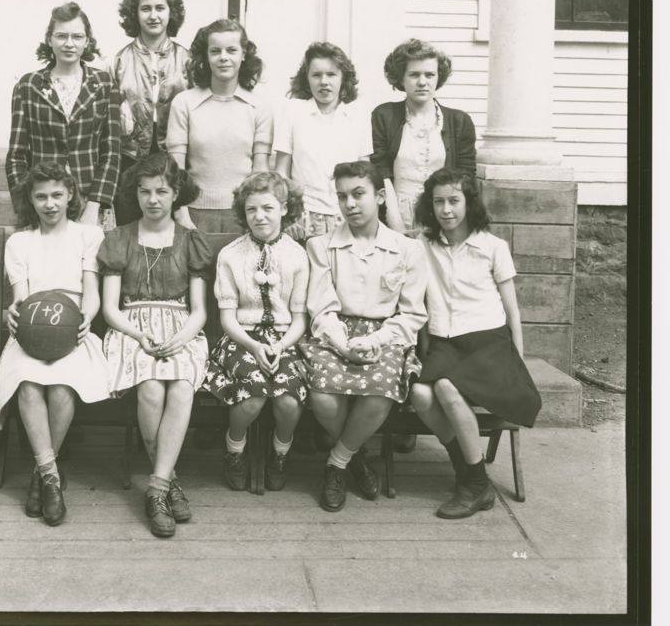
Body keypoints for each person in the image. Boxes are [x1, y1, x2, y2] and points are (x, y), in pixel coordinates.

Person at [409, 168, 542, 519]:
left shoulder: (493, 247)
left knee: (447, 390)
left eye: (454, 200)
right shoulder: (423, 245)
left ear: (469, 202)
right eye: (438, 201)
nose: (446, 210)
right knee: (421, 394)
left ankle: (472, 483)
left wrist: (518, 359)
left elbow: (512, 309)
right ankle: (473, 475)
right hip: (444, 342)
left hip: (488, 343)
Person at [300, 160, 428, 513]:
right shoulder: (321, 246)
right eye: (342, 196)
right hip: (334, 333)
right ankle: (356, 460)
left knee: (379, 391)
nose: (350, 204)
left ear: (381, 196)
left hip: (386, 335)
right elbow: (321, 308)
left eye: (358, 194)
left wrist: (374, 342)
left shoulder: (407, 249)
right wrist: (343, 344)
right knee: (323, 396)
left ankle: (337, 463)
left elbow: (412, 313)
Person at [98, 153, 211, 537]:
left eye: (162, 191)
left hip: (181, 326)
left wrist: (182, 336)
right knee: (149, 387)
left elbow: (199, 311)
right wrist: (137, 334)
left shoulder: (190, 241)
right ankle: (168, 482)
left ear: (176, 193)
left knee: (180, 386)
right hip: (131, 327)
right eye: (145, 191)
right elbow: (111, 308)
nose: (153, 200)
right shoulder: (120, 238)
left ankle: (156, 488)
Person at [0, 162, 111, 527]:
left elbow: (91, 293)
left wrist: (84, 319)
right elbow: (21, 297)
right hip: (31, 328)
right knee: (28, 385)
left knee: (62, 390)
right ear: (30, 199)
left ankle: (41, 473)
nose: (50, 204)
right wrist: (13, 313)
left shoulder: (88, 236)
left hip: (73, 327)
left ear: (71, 195)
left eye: (57, 195)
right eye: (41, 196)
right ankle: (50, 477)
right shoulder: (20, 242)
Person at [202, 171, 309, 492]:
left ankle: (280, 452)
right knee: (253, 395)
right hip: (241, 338)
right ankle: (235, 449)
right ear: (242, 212)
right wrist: (253, 345)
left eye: (268, 208)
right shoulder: (231, 255)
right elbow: (228, 319)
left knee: (289, 402)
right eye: (251, 210)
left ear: (285, 209)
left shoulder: (297, 256)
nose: (259, 216)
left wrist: (279, 345)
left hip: (286, 338)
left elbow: (300, 319)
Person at [6, 2, 121, 231]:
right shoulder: (28, 86)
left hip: (91, 203)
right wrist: (27, 207)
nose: (69, 44)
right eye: (61, 36)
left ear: (87, 41)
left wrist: (94, 207)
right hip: (43, 204)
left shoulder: (104, 84)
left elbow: (111, 152)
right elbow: (17, 156)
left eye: (77, 37)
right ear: (49, 39)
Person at [166, 18, 271, 233]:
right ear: (206, 56)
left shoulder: (259, 106)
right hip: (193, 214)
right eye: (215, 51)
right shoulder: (184, 103)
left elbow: (260, 170)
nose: (223, 58)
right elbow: (176, 168)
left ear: (243, 55)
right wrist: (180, 212)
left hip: (243, 216)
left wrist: (254, 217)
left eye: (231, 50)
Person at [371, 38, 476, 233]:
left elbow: (466, 178)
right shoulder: (384, 115)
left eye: (429, 74)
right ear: (401, 78)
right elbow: (380, 171)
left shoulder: (459, 121)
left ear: (438, 77)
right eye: (413, 74)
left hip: (443, 218)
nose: (422, 82)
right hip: (394, 215)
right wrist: (396, 227)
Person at [110, 0, 191, 225]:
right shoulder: (119, 61)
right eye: (146, 9)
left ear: (171, 12)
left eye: (160, 8)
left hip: (175, 156)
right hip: (131, 158)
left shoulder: (187, 60)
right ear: (134, 14)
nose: (153, 15)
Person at [274, 41, 371, 243]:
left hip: (346, 214)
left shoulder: (357, 115)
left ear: (343, 78)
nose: (324, 81)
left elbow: (364, 173)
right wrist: (289, 216)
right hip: (303, 216)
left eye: (331, 75)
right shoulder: (293, 111)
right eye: (316, 75)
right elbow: (282, 172)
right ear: (306, 78)